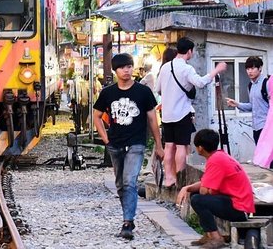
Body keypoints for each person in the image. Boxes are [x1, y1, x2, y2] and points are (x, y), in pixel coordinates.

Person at [93, 53, 164, 240]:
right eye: (123, 67)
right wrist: (105, 139)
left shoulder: (143, 92)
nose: (127, 70)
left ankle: (127, 222)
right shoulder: (108, 93)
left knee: (129, 182)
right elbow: (96, 116)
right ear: (116, 70)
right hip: (115, 143)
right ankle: (129, 219)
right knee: (120, 184)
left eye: (130, 66)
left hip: (136, 143)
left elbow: (152, 119)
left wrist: (159, 145)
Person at [155, 37, 227, 188]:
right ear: (189, 51)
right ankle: (180, 179)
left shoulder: (165, 67)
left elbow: (158, 89)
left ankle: (169, 178)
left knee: (169, 146)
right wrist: (216, 70)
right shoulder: (187, 68)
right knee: (181, 146)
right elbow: (200, 82)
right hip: (182, 113)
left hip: (167, 114)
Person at [176, 129, 254, 249]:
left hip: (240, 208)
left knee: (198, 200)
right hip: (240, 204)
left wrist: (207, 189)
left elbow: (204, 190)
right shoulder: (219, 156)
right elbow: (204, 184)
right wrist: (187, 188)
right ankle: (209, 235)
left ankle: (217, 238)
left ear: (200, 148)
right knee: (194, 194)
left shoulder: (215, 160)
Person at [226, 56, 268, 144]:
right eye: (248, 69)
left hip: (267, 127)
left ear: (260, 68)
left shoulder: (267, 83)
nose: (250, 71)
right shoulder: (250, 86)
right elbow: (253, 106)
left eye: (252, 68)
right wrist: (237, 104)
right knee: (260, 155)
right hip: (256, 128)